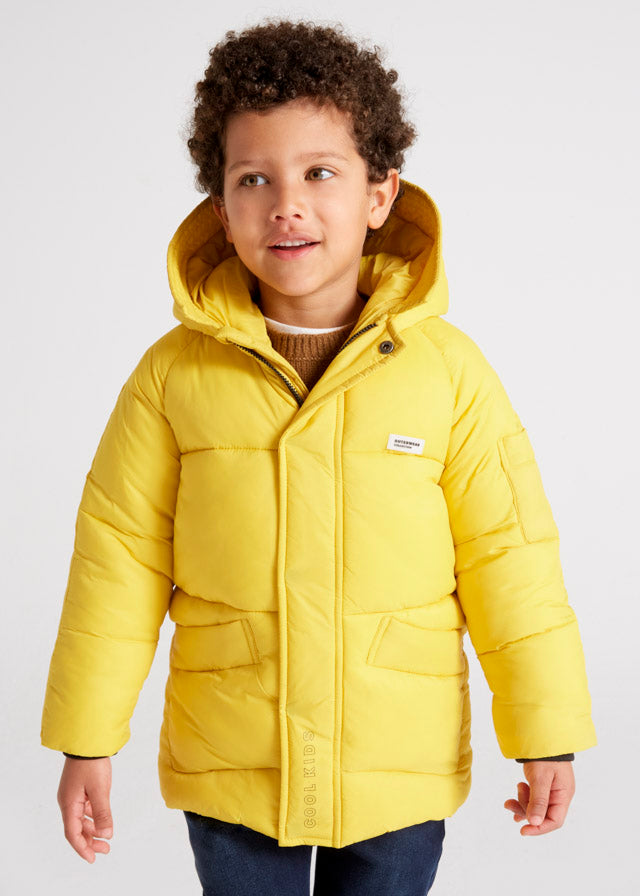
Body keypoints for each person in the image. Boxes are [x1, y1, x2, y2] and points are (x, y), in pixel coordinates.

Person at [41, 18, 597, 895]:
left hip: (398, 759)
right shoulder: (172, 377)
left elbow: (511, 560)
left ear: (380, 193)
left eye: (320, 173)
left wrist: (546, 731)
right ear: (221, 212)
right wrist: (86, 739)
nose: (286, 204)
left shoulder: (449, 373)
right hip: (234, 756)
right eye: (253, 178)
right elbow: (117, 563)